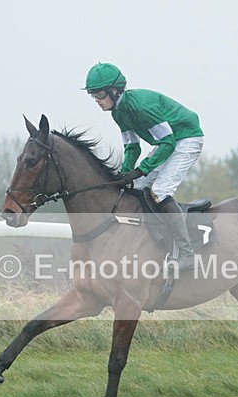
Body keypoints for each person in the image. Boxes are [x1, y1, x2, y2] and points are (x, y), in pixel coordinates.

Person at [83, 62, 204, 271]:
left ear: (115, 90)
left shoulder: (140, 107)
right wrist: (125, 173)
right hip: (168, 142)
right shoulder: (118, 112)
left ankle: (187, 253)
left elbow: (168, 143)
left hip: (187, 139)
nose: (97, 100)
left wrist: (142, 169)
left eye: (100, 94)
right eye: (93, 95)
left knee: (160, 192)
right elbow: (132, 147)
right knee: (136, 187)